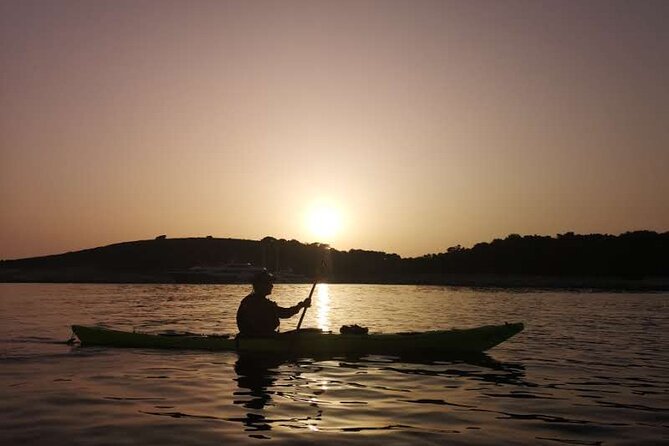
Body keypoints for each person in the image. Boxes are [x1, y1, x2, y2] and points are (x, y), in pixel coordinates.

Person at [236, 270, 311, 336]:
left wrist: (301, 305)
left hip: (263, 336)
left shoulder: (259, 301)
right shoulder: (254, 302)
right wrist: (301, 305)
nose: (272, 286)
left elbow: (284, 313)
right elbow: (284, 313)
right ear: (260, 285)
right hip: (256, 338)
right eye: (268, 283)